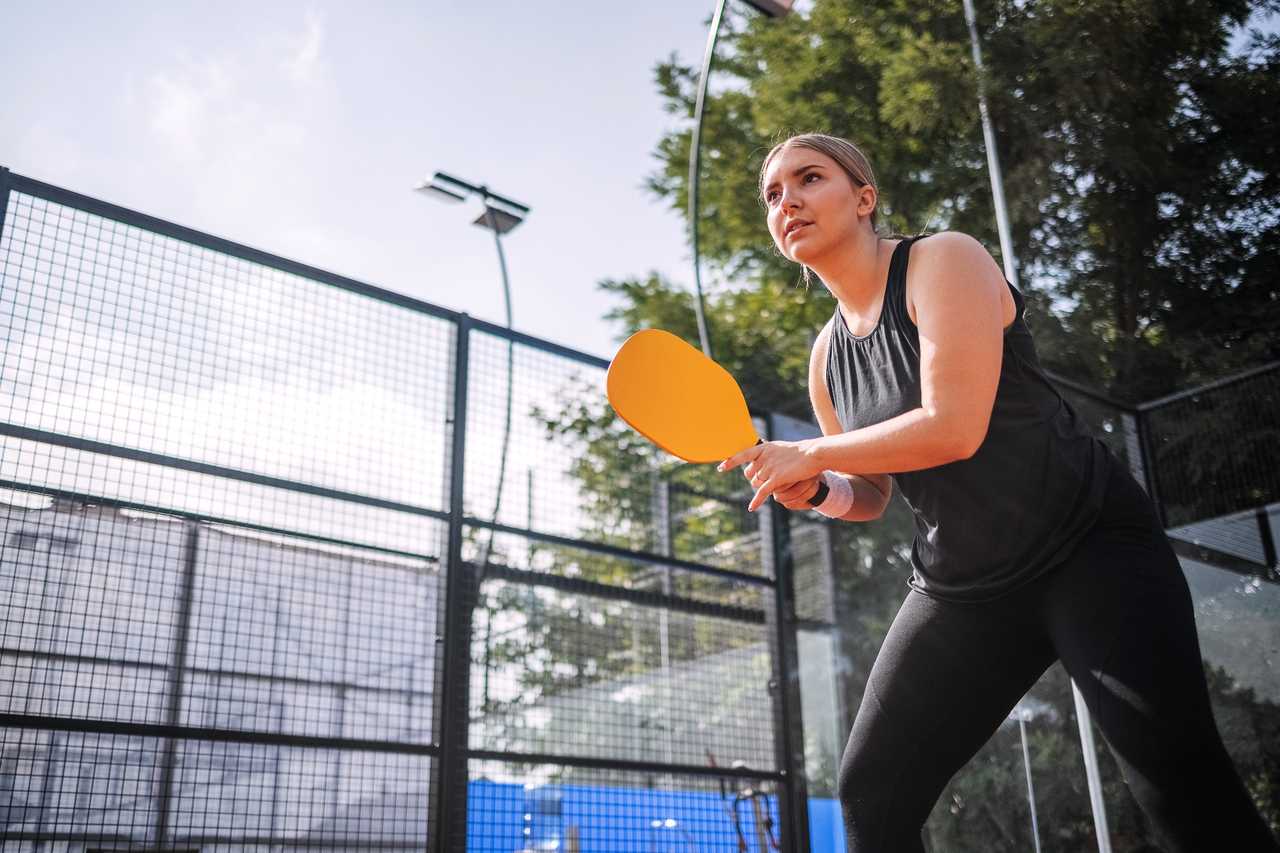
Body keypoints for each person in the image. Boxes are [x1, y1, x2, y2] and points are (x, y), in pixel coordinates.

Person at [717, 132, 1278, 852]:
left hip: (1091, 549)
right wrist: (819, 490)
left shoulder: (944, 259)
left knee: (1180, 788)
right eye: (772, 194)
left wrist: (810, 452)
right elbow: (872, 492)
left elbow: (954, 428)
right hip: (964, 588)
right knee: (871, 792)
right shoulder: (826, 359)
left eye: (809, 177)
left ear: (864, 198)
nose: (786, 199)